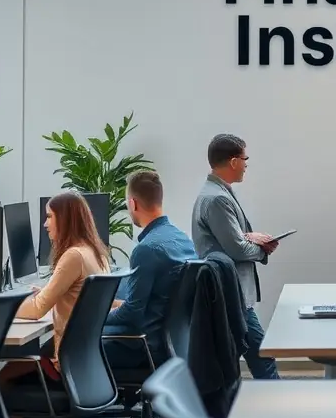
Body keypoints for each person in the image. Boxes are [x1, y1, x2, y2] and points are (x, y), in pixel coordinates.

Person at [0, 190, 110, 418]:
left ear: (67, 219)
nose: (46, 223)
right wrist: (46, 293)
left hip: (64, 367)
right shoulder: (94, 252)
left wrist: (2, 308)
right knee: (14, 365)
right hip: (85, 365)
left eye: (49, 216)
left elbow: (38, 310)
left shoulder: (73, 256)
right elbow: (66, 298)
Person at [191, 133, 280, 380]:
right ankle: (280, 409)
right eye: (244, 158)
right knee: (262, 355)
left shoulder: (219, 191)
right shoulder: (217, 198)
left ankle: (242, 408)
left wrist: (250, 236)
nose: (246, 164)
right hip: (231, 292)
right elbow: (237, 249)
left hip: (230, 292)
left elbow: (234, 239)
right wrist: (262, 249)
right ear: (233, 162)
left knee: (238, 358)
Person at [104, 169, 198, 370]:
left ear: (133, 204)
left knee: (71, 344)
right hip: (174, 344)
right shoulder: (183, 240)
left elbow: (132, 313)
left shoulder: (146, 249)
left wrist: (94, 317)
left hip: (144, 347)